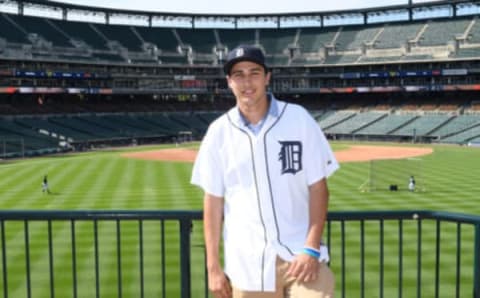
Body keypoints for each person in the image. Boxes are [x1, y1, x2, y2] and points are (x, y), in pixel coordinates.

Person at [191, 44, 339, 298]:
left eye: (254, 72)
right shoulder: (219, 132)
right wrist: (213, 267)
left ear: (267, 77)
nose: (247, 82)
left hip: (300, 257)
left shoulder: (298, 119)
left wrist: (312, 248)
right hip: (248, 265)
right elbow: (213, 202)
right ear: (229, 82)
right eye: (238, 74)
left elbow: (319, 188)